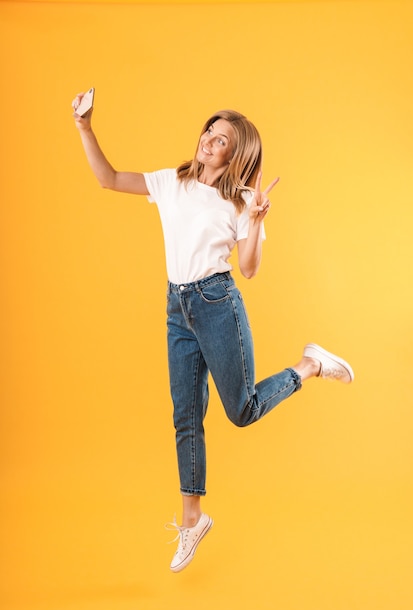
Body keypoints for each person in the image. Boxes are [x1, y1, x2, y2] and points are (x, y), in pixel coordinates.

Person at [72, 93, 354, 573]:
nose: (209, 140)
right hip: (177, 306)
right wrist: (84, 126)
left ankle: (309, 365)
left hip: (217, 303)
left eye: (221, 139)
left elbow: (248, 270)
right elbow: (108, 178)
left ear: (235, 153)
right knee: (185, 415)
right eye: (209, 130)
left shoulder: (243, 201)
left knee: (240, 411)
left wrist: (258, 220)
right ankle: (192, 519)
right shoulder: (171, 182)